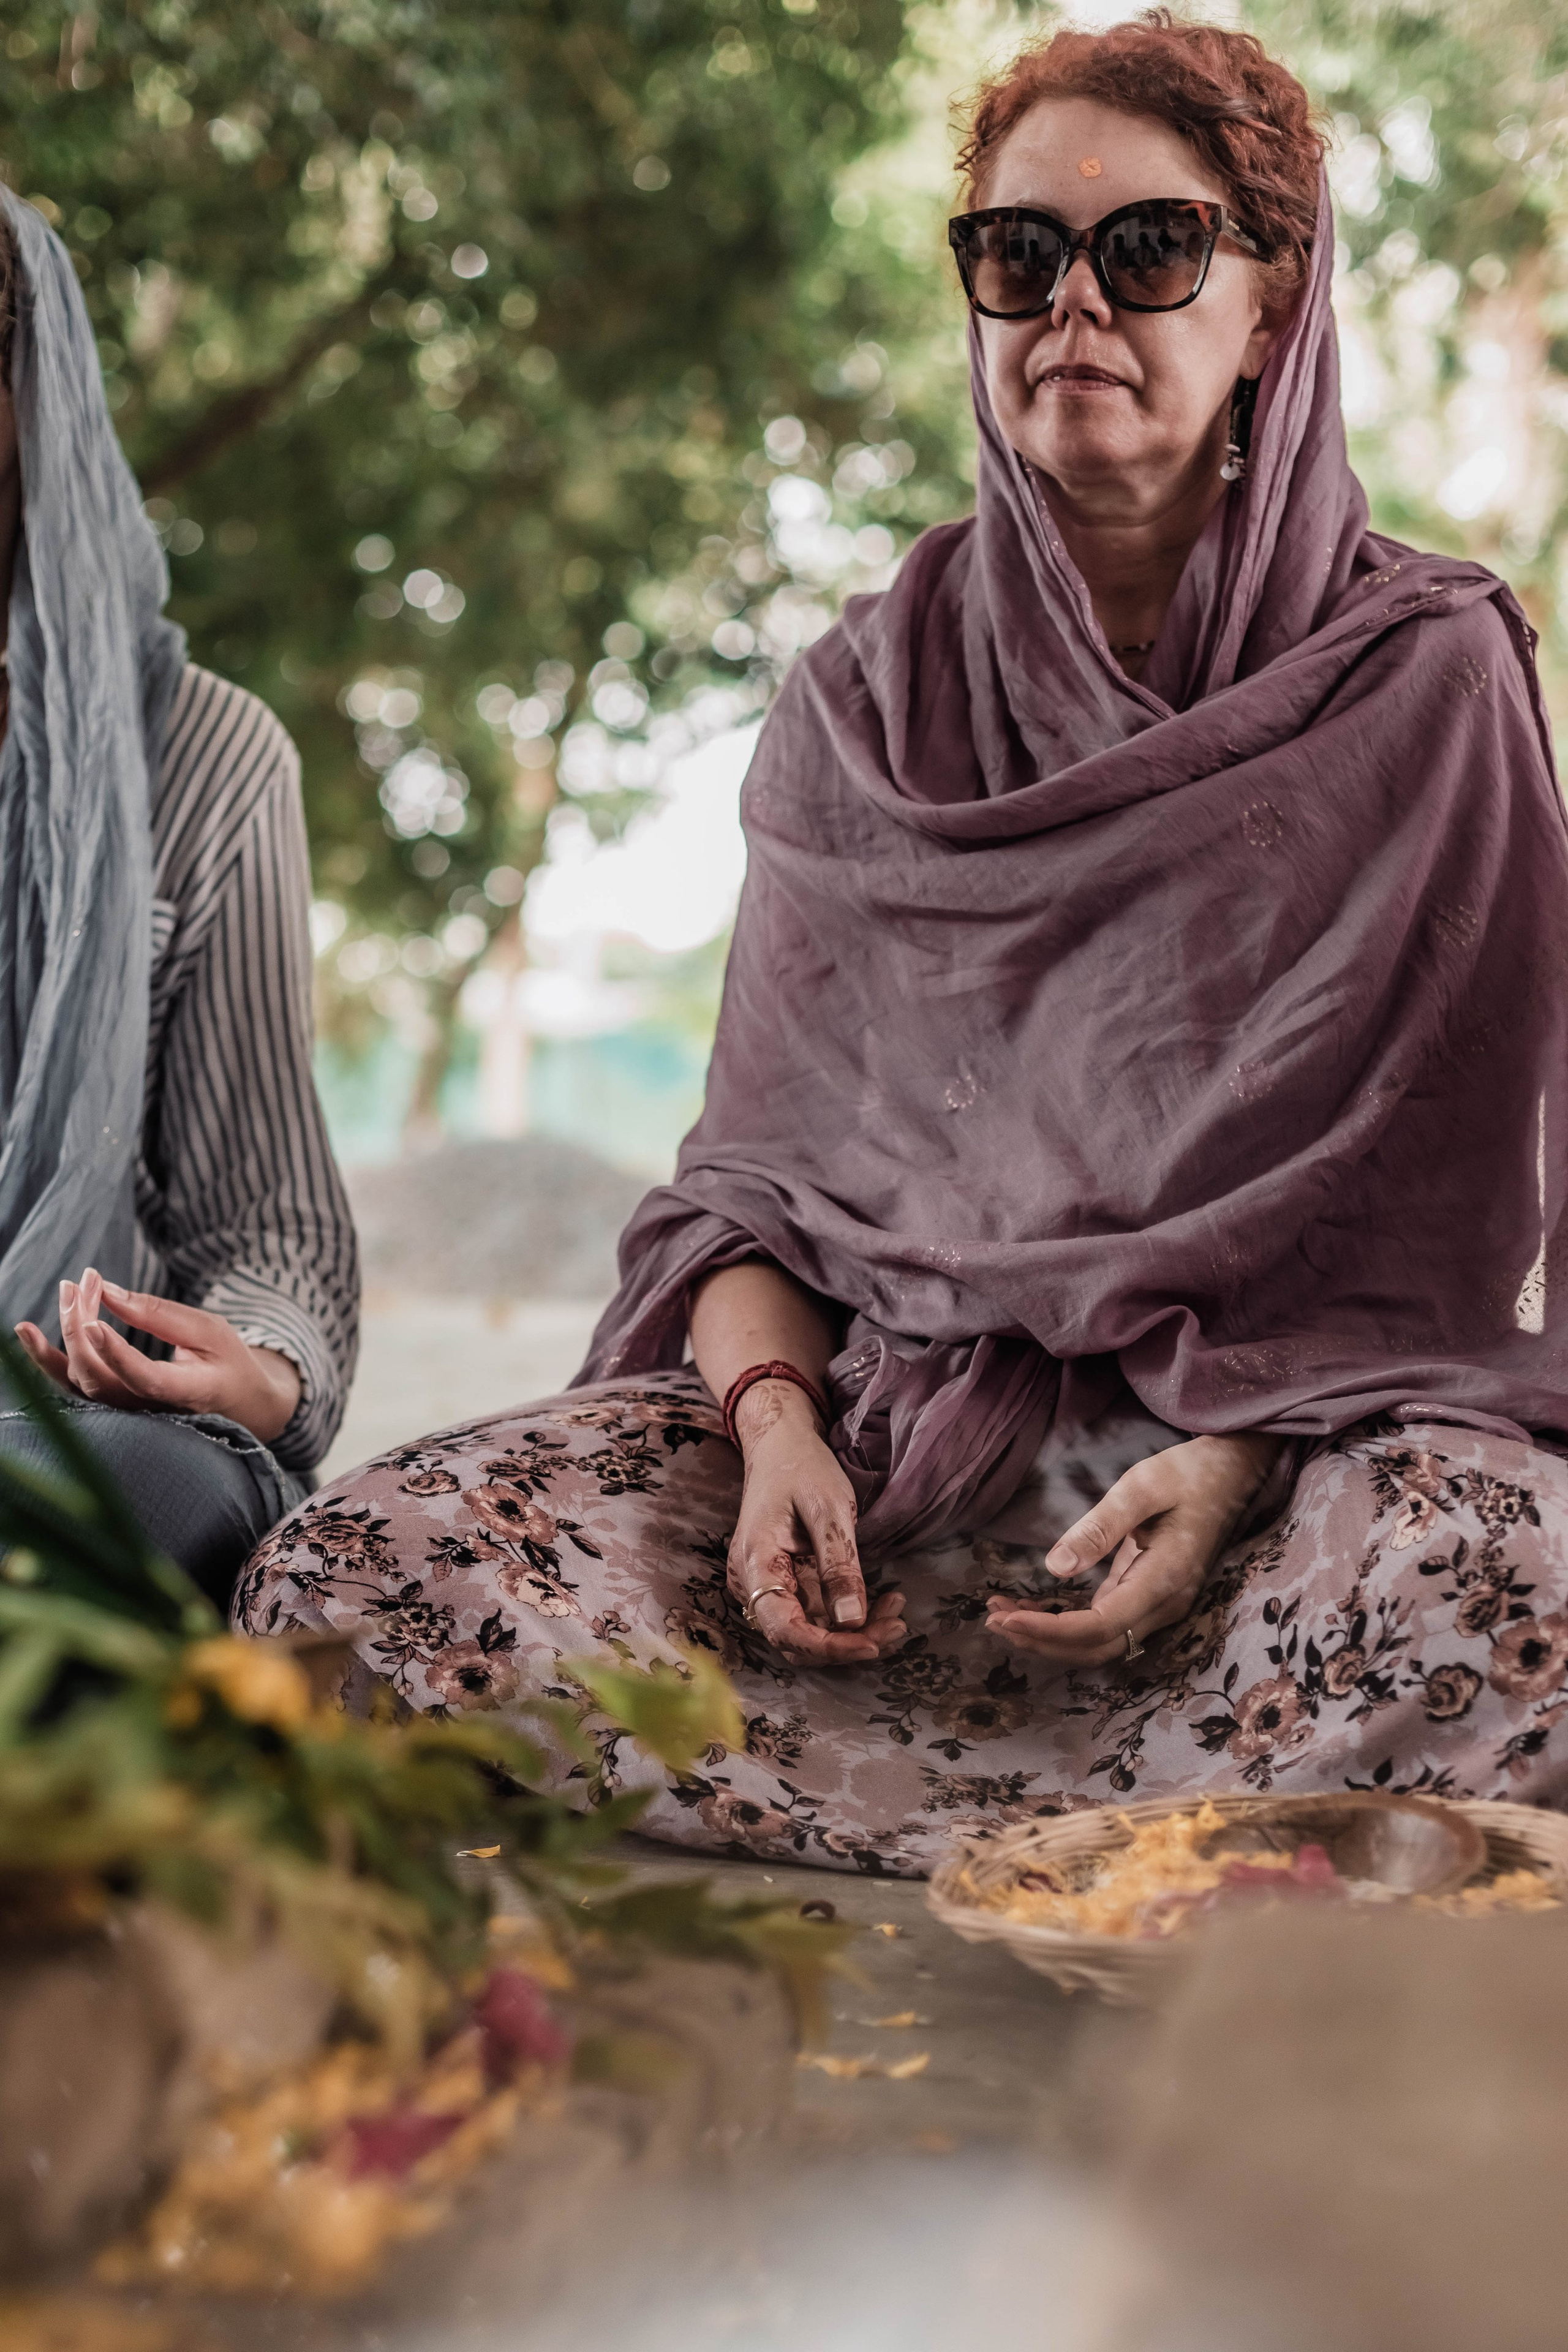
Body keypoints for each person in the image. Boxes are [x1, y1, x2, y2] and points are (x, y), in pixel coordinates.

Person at [239, 15, 1568, 1872]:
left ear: (1274, 307)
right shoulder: (864, 702)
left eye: (1151, 250)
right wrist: (780, 1437)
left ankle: (1112, 1792)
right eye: (1018, 256)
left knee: (1510, 1588)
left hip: (1273, 1476)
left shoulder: (1423, 681)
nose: (1073, 306)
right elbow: (755, 1201)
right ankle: (1182, 1821)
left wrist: (1239, 1458)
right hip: (897, 1457)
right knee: (359, 1573)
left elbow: (1431, 1264)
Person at [0, 190, 358, 1602]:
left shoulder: (201, 759)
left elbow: (265, 1223)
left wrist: (250, 1369)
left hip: (50, 1428)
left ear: (34, 409)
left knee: (145, 1500)